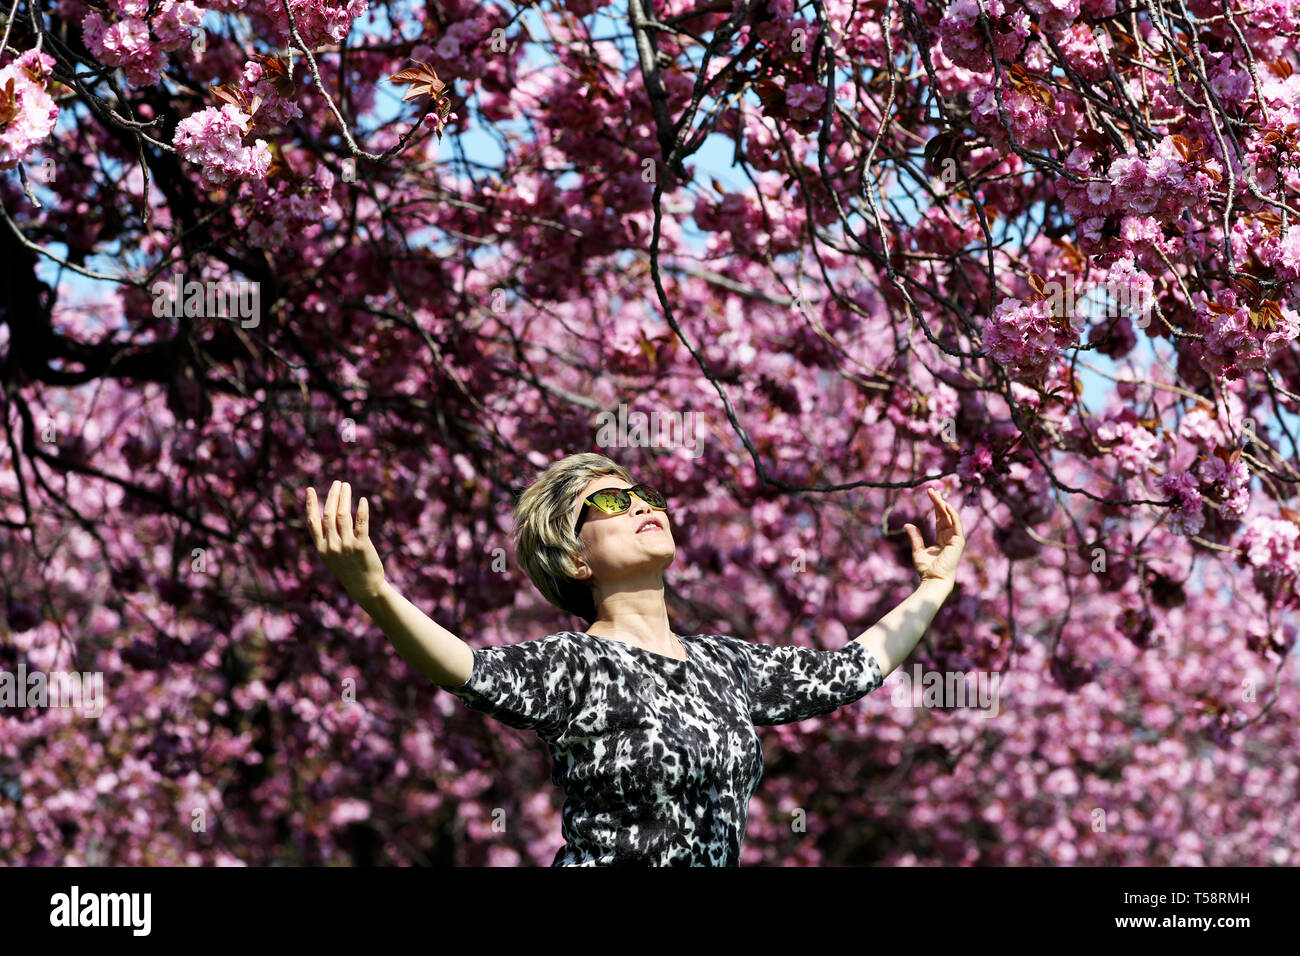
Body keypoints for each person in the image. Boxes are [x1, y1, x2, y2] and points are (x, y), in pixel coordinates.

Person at [304, 452, 965, 865]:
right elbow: (465, 667)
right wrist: (376, 593)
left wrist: (933, 587)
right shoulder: (575, 664)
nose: (642, 504)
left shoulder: (724, 666)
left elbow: (848, 671)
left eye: (642, 493)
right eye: (612, 502)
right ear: (575, 557)